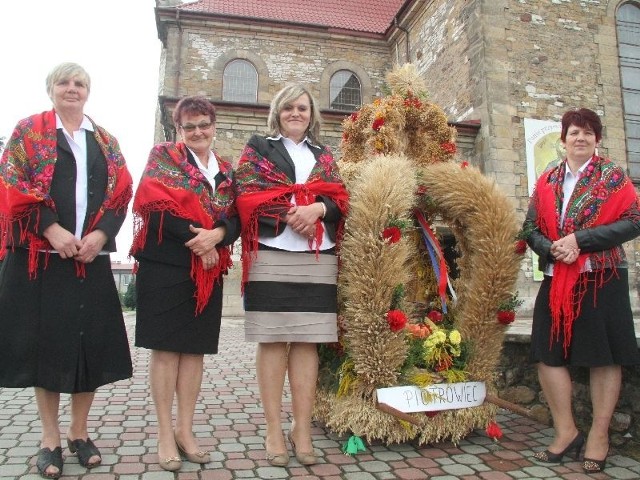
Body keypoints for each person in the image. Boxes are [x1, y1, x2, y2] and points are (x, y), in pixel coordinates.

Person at [0, 62, 133, 479]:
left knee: (88, 344)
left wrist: (101, 235)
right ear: (51, 90)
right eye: (64, 82)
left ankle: (79, 432)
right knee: (48, 346)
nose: (71, 88)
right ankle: (50, 438)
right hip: (40, 258)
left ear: (88, 92)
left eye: (79, 83)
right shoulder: (29, 132)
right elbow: (11, 183)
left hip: (88, 259)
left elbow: (121, 194)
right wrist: (50, 229)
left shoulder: (106, 141)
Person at [235, 84, 349, 467]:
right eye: (288, 107)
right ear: (277, 112)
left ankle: (301, 429)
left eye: (302, 107)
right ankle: (272, 429)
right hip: (271, 252)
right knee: (271, 340)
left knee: (307, 341)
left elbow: (339, 197)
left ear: (311, 113)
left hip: (317, 256)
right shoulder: (258, 148)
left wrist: (316, 210)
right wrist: (289, 215)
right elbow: (247, 193)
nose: (295, 113)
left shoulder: (324, 154)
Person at [524, 108, 640, 474]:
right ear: (563, 138)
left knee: (604, 356)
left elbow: (634, 220)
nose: (581, 138)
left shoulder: (613, 177)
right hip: (558, 276)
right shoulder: (548, 179)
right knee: (547, 352)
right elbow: (530, 228)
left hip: (602, 277)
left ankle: (599, 436)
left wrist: (581, 240)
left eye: (588, 133)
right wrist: (553, 247)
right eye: (575, 132)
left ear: (597, 140)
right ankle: (566, 431)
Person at [130, 96, 239, 472]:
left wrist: (218, 236)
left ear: (214, 124)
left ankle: (185, 430)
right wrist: (200, 241)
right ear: (179, 129)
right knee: (166, 351)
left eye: (203, 124)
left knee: (193, 352)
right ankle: (164, 433)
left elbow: (236, 216)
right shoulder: (163, 157)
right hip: (166, 266)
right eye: (189, 126)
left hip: (208, 271)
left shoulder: (226, 168)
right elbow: (153, 205)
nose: (197, 132)